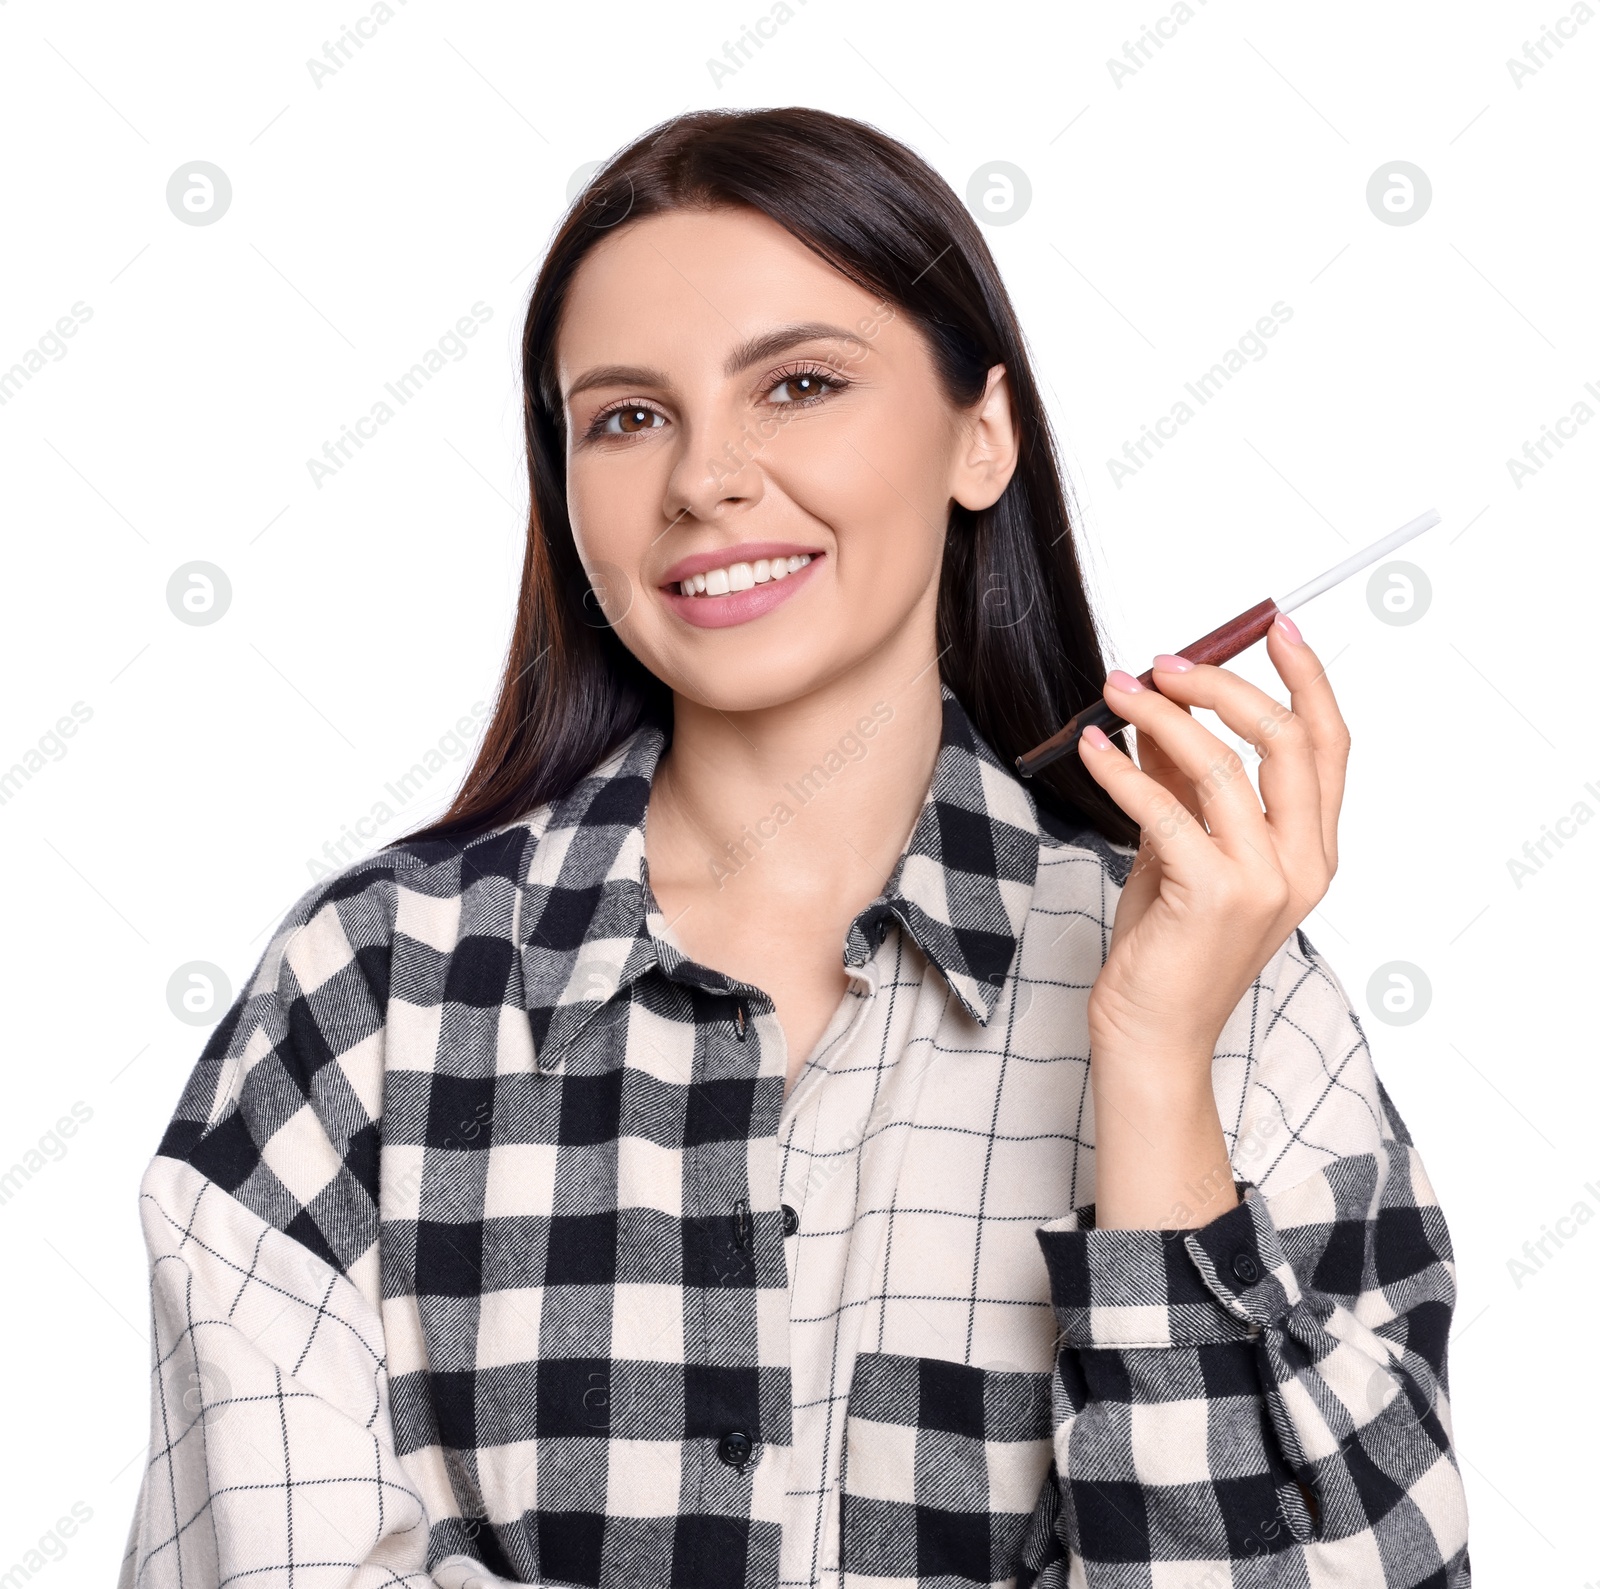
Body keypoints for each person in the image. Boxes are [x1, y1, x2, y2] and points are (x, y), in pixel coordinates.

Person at [120, 107, 1469, 1589]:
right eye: (627, 417)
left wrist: (1152, 1065)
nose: (707, 478)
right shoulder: (367, 995)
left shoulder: (1244, 1006)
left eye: (802, 384)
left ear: (983, 433)